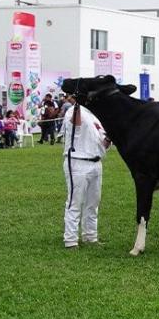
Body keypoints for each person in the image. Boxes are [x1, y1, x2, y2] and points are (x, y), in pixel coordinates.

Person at [61, 104, 110, 248]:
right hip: (78, 160)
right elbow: (75, 124)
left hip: (96, 161)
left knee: (93, 202)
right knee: (75, 202)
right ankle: (70, 239)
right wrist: (77, 104)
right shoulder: (74, 111)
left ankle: (90, 236)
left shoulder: (95, 115)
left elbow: (103, 143)